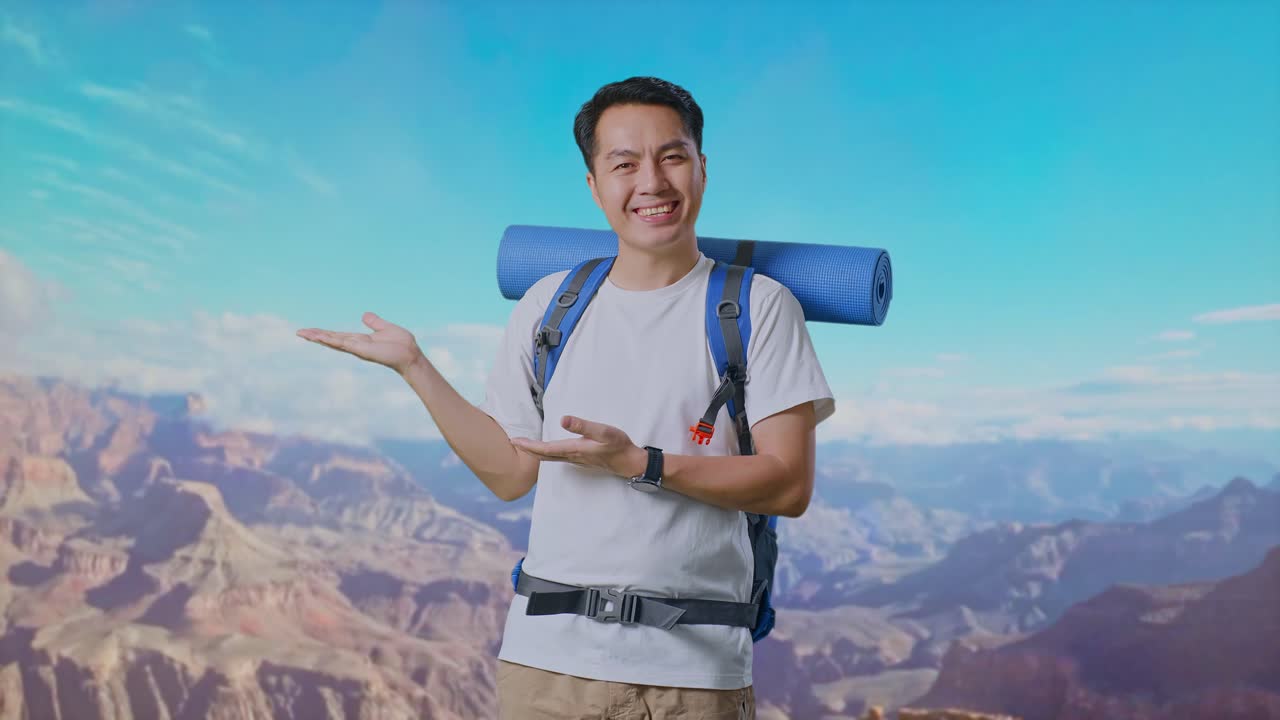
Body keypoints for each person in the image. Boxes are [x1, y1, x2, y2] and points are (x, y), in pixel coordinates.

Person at [297, 76, 835, 719]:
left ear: (701, 167)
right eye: (624, 163)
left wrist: (641, 464)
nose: (652, 182)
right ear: (594, 185)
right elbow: (510, 472)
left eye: (672, 156)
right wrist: (416, 368)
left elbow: (786, 485)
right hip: (544, 666)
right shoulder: (550, 306)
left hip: (690, 673)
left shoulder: (759, 308)